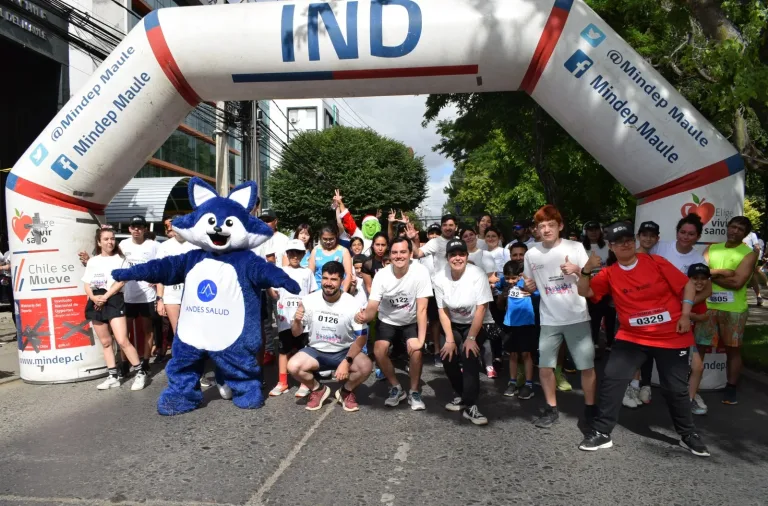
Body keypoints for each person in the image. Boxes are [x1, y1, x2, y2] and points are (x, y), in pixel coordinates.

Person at [575, 222, 710, 457]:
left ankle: (688, 434)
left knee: (675, 389)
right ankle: (602, 431)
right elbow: (584, 292)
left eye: (629, 239)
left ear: (634, 241)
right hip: (632, 336)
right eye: (619, 242)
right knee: (613, 378)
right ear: (611, 247)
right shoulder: (609, 273)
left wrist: (686, 314)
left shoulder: (656, 262)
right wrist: (586, 269)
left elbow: (687, 285)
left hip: (671, 336)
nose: (625, 244)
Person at [523, 205, 597, 429]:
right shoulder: (531, 253)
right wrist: (529, 286)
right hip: (549, 319)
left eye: (551, 225)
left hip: (577, 316)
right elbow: (530, 285)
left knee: (586, 367)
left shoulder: (575, 247)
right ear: (536, 229)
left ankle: (590, 410)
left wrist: (576, 269)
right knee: (545, 367)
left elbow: (590, 280)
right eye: (541, 226)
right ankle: (551, 409)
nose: (546, 229)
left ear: (560, 226)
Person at [356, 237, 433, 410]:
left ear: (410, 254)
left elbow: (422, 310)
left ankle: (414, 391)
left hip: (411, 319)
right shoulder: (382, 276)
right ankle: (396, 387)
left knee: (416, 351)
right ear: (389, 256)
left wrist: (421, 341)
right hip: (388, 320)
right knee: (379, 350)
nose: (399, 256)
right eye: (395, 252)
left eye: (403, 252)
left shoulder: (420, 272)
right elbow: (373, 306)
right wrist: (362, 317)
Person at [287, 261, 373, 412]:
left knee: (366, 366)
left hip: (343, 351)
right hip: (316, 351)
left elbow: (362, 338)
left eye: (333, 279)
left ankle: (346, 391)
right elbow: (296, 333)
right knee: (293, 366)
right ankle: (318, 389)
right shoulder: (309, 300)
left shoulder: (352, 304)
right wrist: (296, 320)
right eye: (325, 278)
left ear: (341, 280)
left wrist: (347, 361)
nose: (328, 283)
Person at [433, 239, 493, 425]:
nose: (457, 258)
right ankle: (460, 393)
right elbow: (442, 310)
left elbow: (482, 308)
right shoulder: (439, 277)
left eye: (461, 254)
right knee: (447, 353)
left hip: (475, 322)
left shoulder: (477, 274)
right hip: (453, 322)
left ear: (467, 256)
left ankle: (470, 405)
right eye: (453, 255)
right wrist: (450, 339)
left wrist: (471, 338)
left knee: (469, 354)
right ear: (447, 257)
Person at [699, 216, 757, 405]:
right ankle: (692, 385)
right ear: (727, 227)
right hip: (707, 306)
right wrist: (726, 272)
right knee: (699, 347)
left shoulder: (748, 253)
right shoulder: (712, 248)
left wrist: (712, 275)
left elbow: (737, 283)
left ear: (745, 234)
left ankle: (731, 388)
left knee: (733, 350)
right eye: (732, 227)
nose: (734, 231)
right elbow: (699, 273)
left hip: (734, 310)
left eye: (740, 229)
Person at [82, 227, 147, 391]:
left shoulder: (120, 259)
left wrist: (106, 296)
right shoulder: (93, 261)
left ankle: (140, 372)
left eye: (112, 238)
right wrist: (93, 297)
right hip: (96, 300)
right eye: (106, 239)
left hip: (114, 299)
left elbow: (121, 281)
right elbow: (86, 283)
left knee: (122, 340)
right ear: (99, 242)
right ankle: (113, 376)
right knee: (105, 342)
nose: (110, 242)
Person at [268, 239, 318, 397]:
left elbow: (311, 294)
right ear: (286, 254)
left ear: (304, 254)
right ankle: (282, 382)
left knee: (304, 350)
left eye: (298, 253)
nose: (295, 256)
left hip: (302, 319)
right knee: (283, 350)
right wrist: (268, 284)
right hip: (284, 319)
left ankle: (305, 382)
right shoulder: (280, 271)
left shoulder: (307, 272)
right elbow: (274, 294)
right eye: (291, 253)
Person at [120, 215, 160, 373]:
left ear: (144, 229)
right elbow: (112, 262)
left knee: (147, 330)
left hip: (147, 295)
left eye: (140, 226)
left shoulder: (153, 245)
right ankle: (124, 363)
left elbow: (161, 264)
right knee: (125, 332)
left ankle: (145, 361)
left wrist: (157, 279)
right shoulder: (123, 244)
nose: (136, 229)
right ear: (129, 228)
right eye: (133, 226)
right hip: (127, 295)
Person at [155, 216, 198, 361]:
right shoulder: (165, 247)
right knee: (178, 333)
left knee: (194, 333)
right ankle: (181, 371)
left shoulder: (196, 244)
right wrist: (160, 299)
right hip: (172, 295)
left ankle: (197, 372)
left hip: (193, 296)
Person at [499, 260, 538, 400]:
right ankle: (512, 382)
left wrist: (531, 291)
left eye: (513, 278)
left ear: (520, 276)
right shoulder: (504, 283)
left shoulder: (526, 284)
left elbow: (538, 294)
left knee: (526, 354)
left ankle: (528, 384)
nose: (510, 281)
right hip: (509, 324)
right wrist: (500, 293)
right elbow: (493, 285)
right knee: (513, 354)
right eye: (507, 277)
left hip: (526, 324)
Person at [685, 263, 714, 415]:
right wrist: (692, 315)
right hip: (673, 339)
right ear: (688, 279)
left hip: (689, 338)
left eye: (703, 278)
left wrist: (691, 315)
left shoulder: (702, 300)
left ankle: (690, 400)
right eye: (695, 278)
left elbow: (704, 316)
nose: (699, 281)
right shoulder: (681, 292)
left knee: (698, 367)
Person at [582, 221, 615, 350]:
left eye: (596, 229)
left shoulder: (607, 245)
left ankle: (610, 342)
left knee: (610, 315)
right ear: (586, 232)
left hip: (608, 286)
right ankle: (594, 341)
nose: (593, 232)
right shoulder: (581, 247)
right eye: (590, 230)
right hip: (590, 287)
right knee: (594, 317)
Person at [308, 224, 354, 293]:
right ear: (320, 237)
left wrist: (342, 293)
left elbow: (348, 275)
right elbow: (310, 273)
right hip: (318, 292)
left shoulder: (343, 251)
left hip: (337, 292)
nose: (328, 242)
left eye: (331, 239)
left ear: (336, 237)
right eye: (325, 239)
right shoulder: (316, 250)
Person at [743, 230, 764, 306]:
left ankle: (758, 296)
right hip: (736, 258)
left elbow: (757, 247)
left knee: (752, 277)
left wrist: (755, 259)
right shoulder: (736, 234)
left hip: (749, 258)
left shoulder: (752, 235)